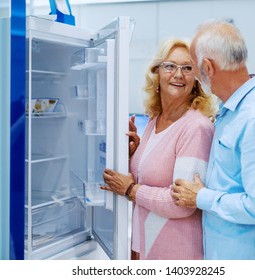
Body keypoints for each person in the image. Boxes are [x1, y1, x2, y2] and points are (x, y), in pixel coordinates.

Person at [171, 19, 255, 260]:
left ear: (208, 67)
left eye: (193, 68)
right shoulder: (230, 112)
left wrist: (201, 197)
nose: (192, 76)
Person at [100, 38, 216, 260]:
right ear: (157, 73)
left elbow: (182, 204)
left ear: (197, 79)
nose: (178, 74)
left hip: (175, 253)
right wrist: (132, 155)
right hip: (143, 247)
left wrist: (130, 190)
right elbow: (150, 177)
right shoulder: (155, 119)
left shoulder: (196, 127)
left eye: (187, 68)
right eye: (170, 66)